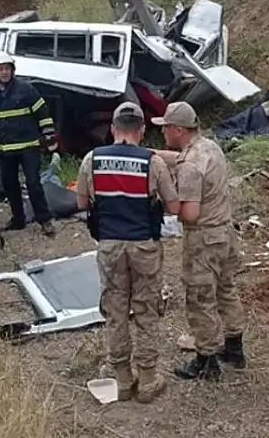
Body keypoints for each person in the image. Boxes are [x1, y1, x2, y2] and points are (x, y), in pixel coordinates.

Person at [75, 102, 180, 403]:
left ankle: (121, 378)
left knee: (115, 311)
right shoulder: (153, 162)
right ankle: (147, 379)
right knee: (146, 311)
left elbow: (82, 203)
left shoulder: (91, 159)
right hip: (144, 245)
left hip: (109, 245)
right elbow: (173, 207)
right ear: (142, 131)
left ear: (113, 129)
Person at [152, 101, 247, 380]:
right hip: (225, 234)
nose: (163, 133)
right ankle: (234, 347)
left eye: (166, 128)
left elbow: (190, 214)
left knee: (200, 299)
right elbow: (181, 160)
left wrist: (166, 201)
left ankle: (205, 361)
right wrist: (153, 156)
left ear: (178, 129)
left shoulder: (191, 167)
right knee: (226, 289)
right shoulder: (209, 147)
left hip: (203, 239)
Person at [0, 52, 57, 236]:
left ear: (12, 70)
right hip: (5, 150)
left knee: (33, 183)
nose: (4, 72)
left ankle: (45, 220)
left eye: (7, 69)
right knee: (9, 185)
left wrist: (49, 135)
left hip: (29, 146)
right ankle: (19, 220)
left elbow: (42, 113)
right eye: (0, 69)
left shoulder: (26, 90)